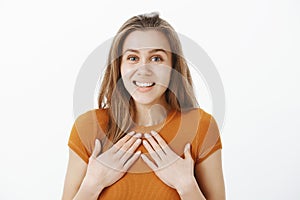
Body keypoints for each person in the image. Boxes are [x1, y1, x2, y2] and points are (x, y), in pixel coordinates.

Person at [62, 12, 226, 200]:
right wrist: (92, 184)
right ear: (119, 66)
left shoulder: (201, 127)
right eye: (132, 58)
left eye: (156, 58)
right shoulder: (89, 127)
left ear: (174, 67)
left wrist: (186, 185)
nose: (144, 70)